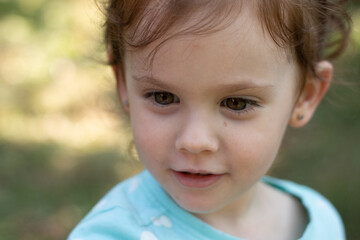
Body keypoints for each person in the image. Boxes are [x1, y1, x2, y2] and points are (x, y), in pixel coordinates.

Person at [68, 0, 352, 239]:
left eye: (236, 103)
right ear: (123, 84)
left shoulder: (319, 220)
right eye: (163, 97)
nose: (194, 141)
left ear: (305, 96)